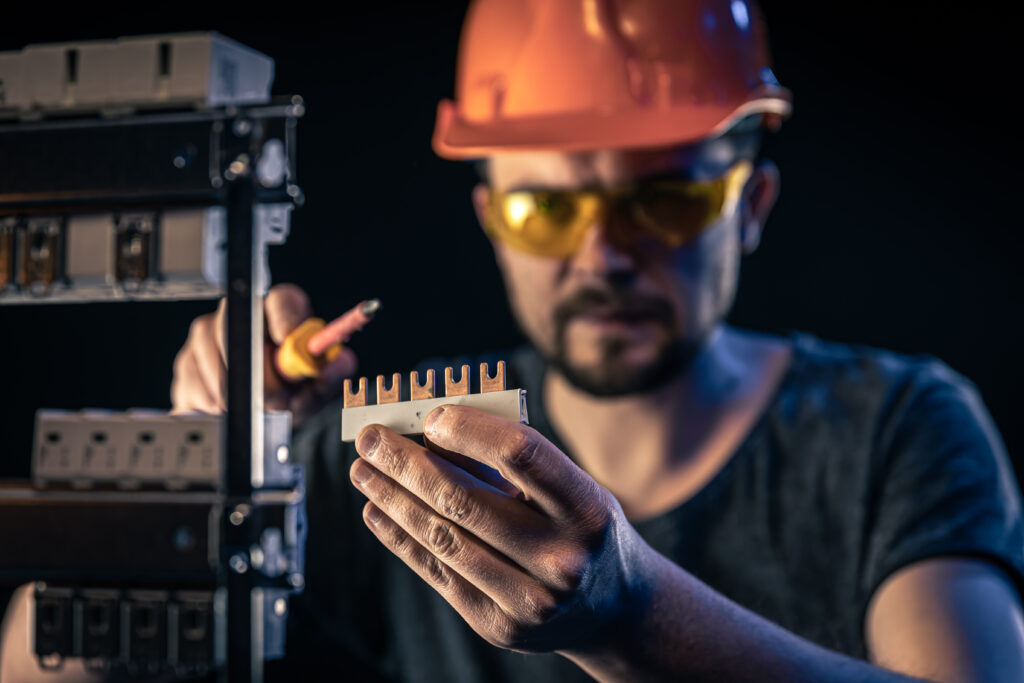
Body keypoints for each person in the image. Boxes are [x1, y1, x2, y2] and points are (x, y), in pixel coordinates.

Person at [4, 1, 1023, 681]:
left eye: (662, 200)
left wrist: (634, 618)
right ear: (494, 220)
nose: (602, 255)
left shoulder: (899, 428)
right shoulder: (396, 455)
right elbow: (35, 663)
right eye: (546, 209)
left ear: (748, 205)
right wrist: (190, 474)